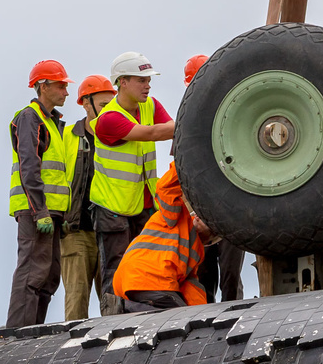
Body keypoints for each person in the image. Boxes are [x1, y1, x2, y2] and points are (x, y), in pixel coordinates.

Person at [91, 51, 175, 315]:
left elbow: (169, 126)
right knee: (115, 269)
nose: (147, 85)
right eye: (141, 80)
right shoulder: (109, 118)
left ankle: (138, 316)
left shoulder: (150, 105)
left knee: (142, 265)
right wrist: (192, 120)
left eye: (148, 80)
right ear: (122, 82)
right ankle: (110, 321)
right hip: (112, 207)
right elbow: (152, 133)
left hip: (143, 203)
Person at [6, 60, 72, 327]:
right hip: (36, 211)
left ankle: (33, 331)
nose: (66, 92)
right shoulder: (29, 117)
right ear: (43, 87)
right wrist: (40, 211)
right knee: (32, 273)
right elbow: (29, 167)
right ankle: (16, 335)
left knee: (49, 276)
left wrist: (60, 214)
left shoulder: (52, 121)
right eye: (61, 85)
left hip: (51, 212)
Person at [183, 54, 246, 302]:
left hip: (232, 212)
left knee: (230, 275)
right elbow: (182, 173)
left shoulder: (235, 117)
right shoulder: (188, 124)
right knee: (204, 275)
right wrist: (194, 215)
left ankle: (234, 319)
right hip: (203, 212)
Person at [112, 161, 209, 311]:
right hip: (148, 279)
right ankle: (127, 308)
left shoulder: (196, 253)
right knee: (177, 317)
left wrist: (201, 316)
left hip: (137, 281)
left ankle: (128, 307)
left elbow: (191, 289)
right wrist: (187, 159)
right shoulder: (175, 215)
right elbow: (165, 188)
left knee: (177, 317)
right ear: (195, 216)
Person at [60, 75, 111, 321]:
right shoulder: (66, 137)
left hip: (109, 230)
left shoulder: (115, 137)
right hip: (76, 230)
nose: (107, 112)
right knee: (76, 299)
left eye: (111, 106)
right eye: (102, 106)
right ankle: (72, 351)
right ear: (84, 103)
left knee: (113, 301)